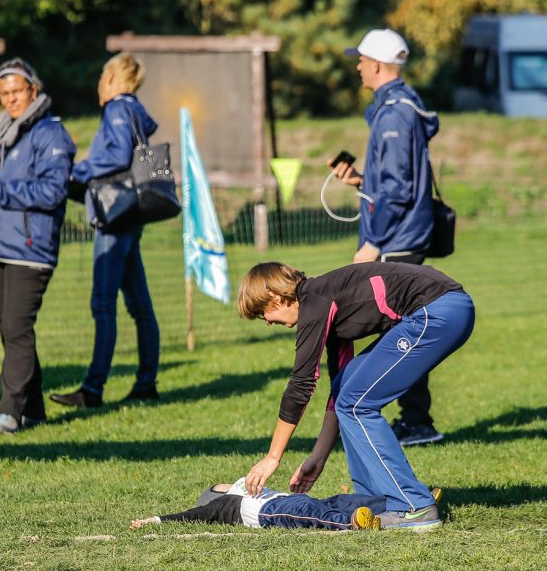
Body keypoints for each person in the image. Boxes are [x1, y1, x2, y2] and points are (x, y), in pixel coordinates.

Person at [237, 261, 474, 529]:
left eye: (262, 312)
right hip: (441, 309)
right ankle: (378, 501)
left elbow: (301, 383)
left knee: (357, 404)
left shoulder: (315, 302)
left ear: (276, 296)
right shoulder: (323, 303)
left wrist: (272, 457)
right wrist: (318, 456)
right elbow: (340, 389)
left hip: (439, 311)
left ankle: (413, 506)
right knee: (348, 391)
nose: (267, 322)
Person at [331, 28, 444, 447]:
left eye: (361, 60)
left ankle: (412, 419)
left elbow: (396, 189)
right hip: (401, 235)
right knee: (401, 328)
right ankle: (415, 419)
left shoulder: (395, 113)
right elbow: (395, 179)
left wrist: (373, 241)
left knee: (397, 332)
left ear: (377, 65)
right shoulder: (399, 107)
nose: (358, 66)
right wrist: (361, 179)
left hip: (395, 239)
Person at [0, 59, 75, 434]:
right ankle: (34, 408)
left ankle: (9, 411)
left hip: (29, 249)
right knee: (11, 332)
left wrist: (0, 191)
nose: (12, 98)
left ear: (33, 89)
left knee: (16, 328)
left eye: (18, 91)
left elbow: (53, 190)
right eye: (4, 93)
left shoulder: (51, 134)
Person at [49, 53, 161, 408]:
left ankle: (93, 389)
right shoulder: (134, 110)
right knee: (140, 305)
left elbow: (115, 157)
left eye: (101, 75)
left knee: (103, 304)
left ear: (112, 76)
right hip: (131, 215)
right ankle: (145, 383)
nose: (98, 82)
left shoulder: (116, 109)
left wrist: (76, 173)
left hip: (115, 216)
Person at [129, 477, 386, 531]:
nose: (222, 483)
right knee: (312, 513)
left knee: (338, 500)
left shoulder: (242, 485)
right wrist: (155, 520)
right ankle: (350, 523)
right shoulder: (220, 505)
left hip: (285, 500)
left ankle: (396, 503)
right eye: (217, 486)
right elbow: (190, 515)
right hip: (270, 512)